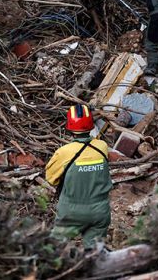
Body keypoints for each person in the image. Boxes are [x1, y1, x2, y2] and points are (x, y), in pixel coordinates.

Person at [46, 104, 112, 247]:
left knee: (54, 250)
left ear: (69, 126)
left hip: (71, 211)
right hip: (100, 211)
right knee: (95, 253)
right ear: (91, 124)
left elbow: (51, 178)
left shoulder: (64, 152)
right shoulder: (102, 147)